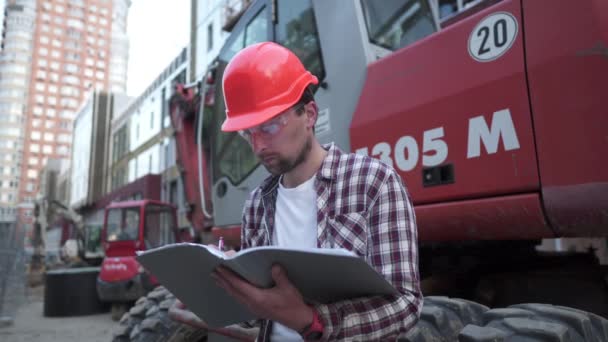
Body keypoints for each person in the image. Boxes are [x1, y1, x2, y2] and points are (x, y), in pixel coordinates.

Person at [171, 42, 422, 341]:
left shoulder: (373, 183)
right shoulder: (256, 205)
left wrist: (312, 321)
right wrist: (233, 283)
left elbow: (406, 305)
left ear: (310, 115)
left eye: (270, 127)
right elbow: (260, 318)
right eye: (247, 133)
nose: (258, 146)